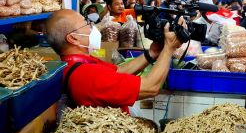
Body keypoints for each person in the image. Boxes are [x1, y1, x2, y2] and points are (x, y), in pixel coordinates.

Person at [45, 9, 184, 114]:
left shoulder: (81, 63)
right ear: (73, 38)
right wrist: (169, 48)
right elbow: (150, 87)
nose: (92, 26)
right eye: (86, 24)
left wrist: (152, 53)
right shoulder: (84, 75)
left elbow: (118, 72)